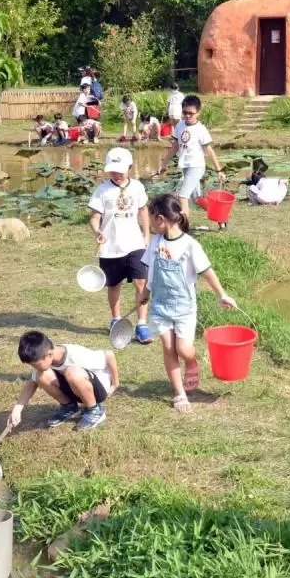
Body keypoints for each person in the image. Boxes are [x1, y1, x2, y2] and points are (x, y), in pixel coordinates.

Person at [139, 194, 235, 413]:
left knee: (183, 349)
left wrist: (222, 294)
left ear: (161, 218)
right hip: (160, 306)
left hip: (184, 307)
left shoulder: (190, 245)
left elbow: (207, 272)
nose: (149, 222)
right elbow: (150, 273)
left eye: (151, 217)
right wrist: (144, 294)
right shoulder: (155, 243)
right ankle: (179, 393)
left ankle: (191, 362)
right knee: (168, 347)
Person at [89, 147, 153, 345]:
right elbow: (94, 217)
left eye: (120, 170)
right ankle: (116, 319)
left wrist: (146, 234)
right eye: (113, 171)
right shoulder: (102, 190)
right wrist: (97, 231)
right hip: (110, 248)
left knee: (141, 282)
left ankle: (142, 324)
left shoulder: (138, 187)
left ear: (130, 168)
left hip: (135, 243)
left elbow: (143, 210)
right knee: (113, 284)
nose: (116, 174)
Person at [7, 331, 118, 432]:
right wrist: (17, 409)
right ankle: (70, 407)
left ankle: (95, 411)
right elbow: (32, 383)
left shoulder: (75, 355)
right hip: (77, 387)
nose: (34, 367)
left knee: (72, 371)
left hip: (99, 388)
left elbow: (109, 355)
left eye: (35, 364)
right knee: (41, 376)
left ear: (49, 354)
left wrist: (115, 383)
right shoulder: (46, 358)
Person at [157, 94, 225, 220]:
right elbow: (175, 146)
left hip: (196, 166)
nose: (187, 115)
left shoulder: (201, 130)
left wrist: (219, 170)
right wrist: (163, 163)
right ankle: (221, 216)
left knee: (183, 196)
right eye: (185, 112)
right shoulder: (179, 126)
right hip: (185, 166)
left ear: (198, 113)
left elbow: (209, 150)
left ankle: (184, 229)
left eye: (191, 113)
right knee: (197, 199)